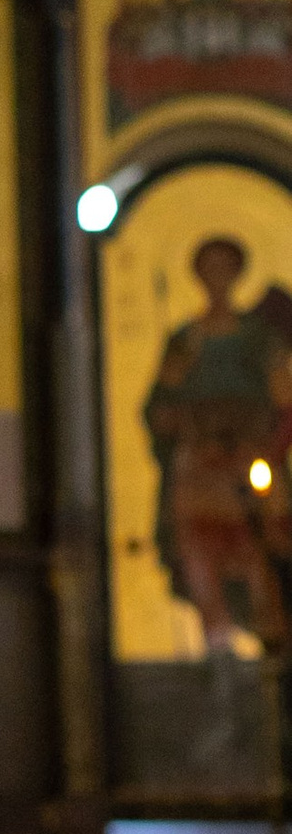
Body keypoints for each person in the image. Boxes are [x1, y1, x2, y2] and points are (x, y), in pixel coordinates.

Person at [144, 234, 292, 653]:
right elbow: (160, 404)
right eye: (209, 268)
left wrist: (269, 447)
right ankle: (217, 648)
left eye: (225, 267)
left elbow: (284, 400)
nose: (217, 278)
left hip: (250, 459)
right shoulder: (185, 340)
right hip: (200, 465)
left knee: (263, 547)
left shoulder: (260, 338)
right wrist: (175, 416)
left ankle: (274, 641)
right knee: (198, 547)